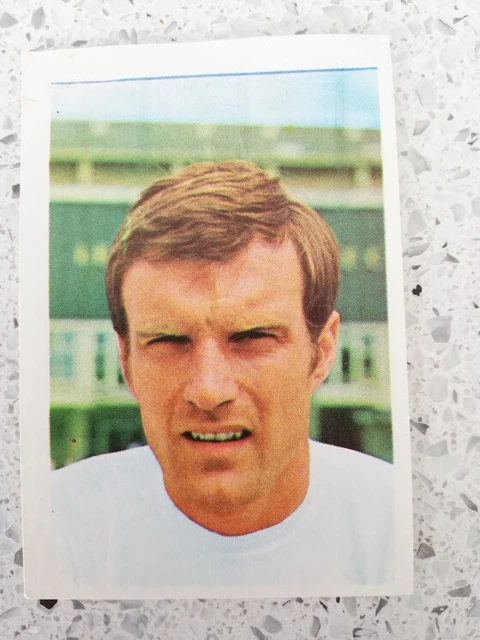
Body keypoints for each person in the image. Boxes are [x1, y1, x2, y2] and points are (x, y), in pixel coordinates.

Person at [52, 160, 393, 593]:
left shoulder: (402, 528)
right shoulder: (52, 533)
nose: (209, 390)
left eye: (253, 338)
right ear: (126, 362)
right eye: (169, 340)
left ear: (322, 352)